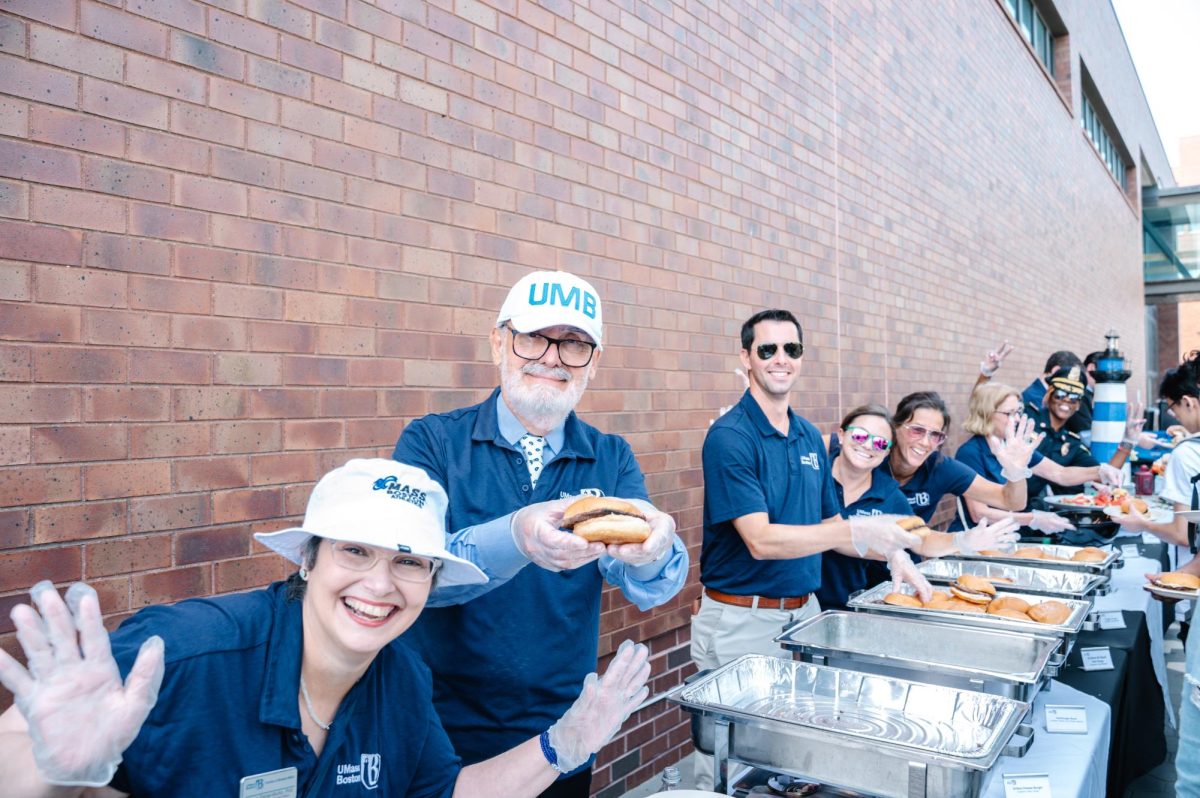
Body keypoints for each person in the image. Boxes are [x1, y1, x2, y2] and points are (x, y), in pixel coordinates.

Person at [0, 459, 651, 797]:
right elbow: (27, 752)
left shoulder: (401, 680)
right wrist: (55, 772)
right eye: (355, 551)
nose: (379, 584)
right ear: (308, 560)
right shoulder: (186, 653)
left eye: (408, 562)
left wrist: (562, 746)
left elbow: (446, 792)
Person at [392, 270, 687, 797]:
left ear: (593, 363)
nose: (552, 358)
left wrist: (656, 549)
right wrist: (517, 537)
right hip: (436, 722)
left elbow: (650, 584)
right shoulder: (432, 442)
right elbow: (411, 573)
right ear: (498, 342)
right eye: (533, 337)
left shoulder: (610, 456)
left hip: (563, 729)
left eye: (574, 345)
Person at [692, 310, 931, 789]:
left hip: (804, 616)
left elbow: (831, 523)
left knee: (788, 761)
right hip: (743, 621)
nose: (781, 360)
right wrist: (866, 531)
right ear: (746, 357)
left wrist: (893, 554)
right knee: (729, 768)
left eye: (791, 349)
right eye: (767, 350)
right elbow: (761, 541)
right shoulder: (730, 437)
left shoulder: (805, 434)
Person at [817, 404, 1020, 611]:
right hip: (798, 603)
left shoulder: (890, 495)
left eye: (879, 442)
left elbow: (922, 540)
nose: (868, 445)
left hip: (847, 606)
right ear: (841, 436)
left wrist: (962, 540)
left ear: (887, 451)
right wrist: (890, 552)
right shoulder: (812, 477)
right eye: (859, 436)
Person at [953, 380, 1127, 532]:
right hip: (976, 539)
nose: (1016, 419)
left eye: (1018, 412)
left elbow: (1059, 474)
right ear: (986, 413)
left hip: (1008, 535)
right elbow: (979, 513)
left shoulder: (1015, 446)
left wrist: (1100, 471)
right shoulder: (970, 453)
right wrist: (1032, 519)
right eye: (1009, 414)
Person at [881, 390, 1039, 523]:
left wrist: (1016, 472)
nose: (925, 442)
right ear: (895, 427)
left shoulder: (939, 467)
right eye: (917, 430)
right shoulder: (873, 460)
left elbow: (1012, 501)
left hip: (909, 557)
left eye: (935, 435)